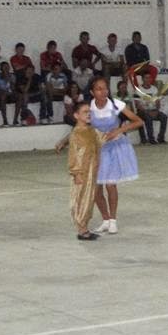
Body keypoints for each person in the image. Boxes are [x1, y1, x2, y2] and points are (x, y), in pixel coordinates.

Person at [57, 77, 143, 235]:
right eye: (99, 89)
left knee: (110, 185)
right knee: (96, 189)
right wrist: (64, 141)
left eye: (105, 88)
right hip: (97, 150)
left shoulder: (116, 104)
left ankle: (113, 220)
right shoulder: (89, 108)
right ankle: (105, 219)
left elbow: (138, 121)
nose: (103, 92)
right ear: (92, 92)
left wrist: (119, 130)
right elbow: (81, 128)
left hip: (115, 149)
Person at [63, 101, 104, 241]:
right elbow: (73, 155)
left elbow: (102, 139)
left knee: (89, 199)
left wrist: (117, 133)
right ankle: (81, 230)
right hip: (82, 172)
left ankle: (84, 227)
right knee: (81, 199)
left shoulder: (91, 130)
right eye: (85, 112)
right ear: (76, 115)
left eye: (90, 112)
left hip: (92, 171)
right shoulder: (76, 134)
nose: (89, 114)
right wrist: (76, 173)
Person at [133, 74, 167, 144]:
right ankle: (151, 139)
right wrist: (147, 111)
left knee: (164, 117)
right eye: (146, 78)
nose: (148, 79)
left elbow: (158, 102)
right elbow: (137, 105)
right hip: (142, 111)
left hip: (154, 110)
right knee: (148, 117)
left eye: (149, 78)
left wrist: (157, 111)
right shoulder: (138, 90)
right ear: (142, 79)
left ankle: (161, 138)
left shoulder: (154, 89)